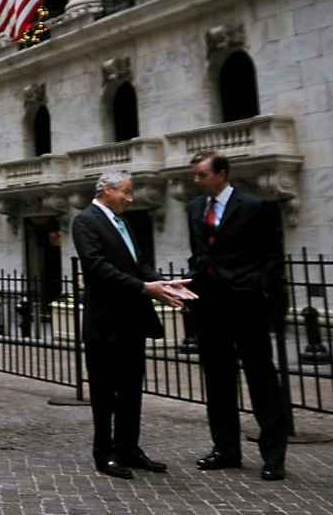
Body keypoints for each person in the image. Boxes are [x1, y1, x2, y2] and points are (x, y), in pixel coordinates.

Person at [71, 171, 195, 480]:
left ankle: (129, 448)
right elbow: (98, 268)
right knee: (104, 391)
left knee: (130, 389)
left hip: (131, 321)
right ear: (107, 190)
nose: (130, 197)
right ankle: (105, 453)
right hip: (104, 322)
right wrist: (145, 288)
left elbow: (138, 264)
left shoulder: (123, 222)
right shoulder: (85, 221)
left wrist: (163, 285)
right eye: (125, 191)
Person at [186, 152, 290, 481]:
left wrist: (258, 289)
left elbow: (273, 258)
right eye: (196, 175)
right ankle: (226, 449)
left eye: (202, 175)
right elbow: (200, 251)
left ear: (222, 174)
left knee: (262, 380)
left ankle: (274, 456)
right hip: (210, 308)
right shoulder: (193, 208)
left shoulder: (257, 206)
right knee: (218, 381)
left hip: (247, 305)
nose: (197, 181)